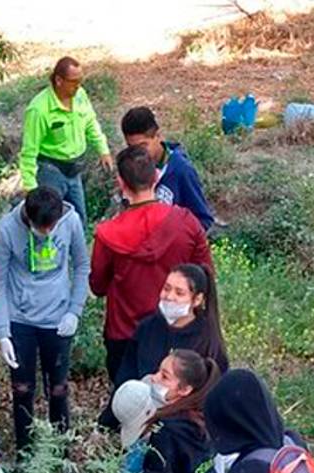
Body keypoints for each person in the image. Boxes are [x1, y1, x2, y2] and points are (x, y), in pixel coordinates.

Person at [90, 145, 212, 395]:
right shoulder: (185, 223)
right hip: (178, 329)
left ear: (120, 182)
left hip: (125, 334)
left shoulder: (108, 234)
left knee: (129, 406)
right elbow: (205, 274)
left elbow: (98, 286)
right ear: (156, 177)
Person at [0, 186, 90, 454]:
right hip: (20, 319)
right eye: (40, 228)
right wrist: (3, 332)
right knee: (22, 388)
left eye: (50, 227)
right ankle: (26, 451)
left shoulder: (71, 221)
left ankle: (61, 450)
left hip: (58, 318)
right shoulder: (6, 229)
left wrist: (74, 311)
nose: (46, 233)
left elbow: (81, 266)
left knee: (57, 388)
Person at [17, 56, 113, 223]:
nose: (78, 85)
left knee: (79, 219)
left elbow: (90, 122)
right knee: (51, 220)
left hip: (74, 170)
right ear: (59, 80)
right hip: (51, 170)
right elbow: (29, 151)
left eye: (80, 80)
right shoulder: (39, 110)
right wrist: (30, 188)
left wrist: (103, 150)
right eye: (73, 81)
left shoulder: (80, 95)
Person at [116, 264, 228, 386]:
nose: (169, 297)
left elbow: (215, 389)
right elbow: (126, 374)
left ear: (197, 300)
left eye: (179, 293)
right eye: (166, 288)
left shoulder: (208, 340)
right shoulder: (147, 327)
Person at [120, 106, 215, 230]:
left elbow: (203, 220)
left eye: (143, 146)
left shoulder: (181, 170)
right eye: (131, 147)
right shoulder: (131, 166)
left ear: (158, 136)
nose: (137, 153)